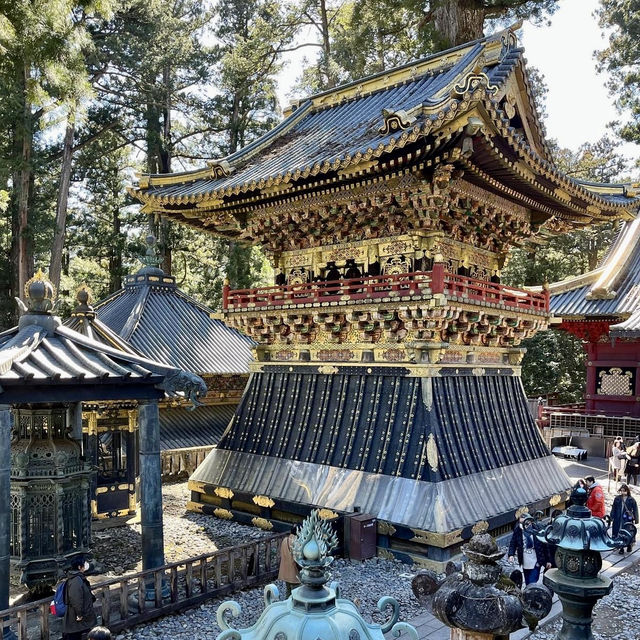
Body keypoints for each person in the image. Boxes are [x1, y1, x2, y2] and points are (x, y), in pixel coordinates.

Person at [508, 514, 550, 585]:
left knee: (532, 582)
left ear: (530, 522)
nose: (523, 525)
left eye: (525, 523)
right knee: (527, 581)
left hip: (536, 560)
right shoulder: (518, 530)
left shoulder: (537, 529)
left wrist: (548, 560)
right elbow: (513, 543)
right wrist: (511, 554)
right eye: (520, 523)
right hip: (525, 561)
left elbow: (545, 545)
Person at [63, 556, 97, 640]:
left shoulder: (77, 578)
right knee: (75, 635)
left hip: (81, 614)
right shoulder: (76, 580)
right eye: (84, 563)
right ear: (79, 567)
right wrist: (79, 614)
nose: (86, 565)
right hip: (77, 615)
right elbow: (76, 599)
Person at [610, 483, 639, 555]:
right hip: (618, 518)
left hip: (627, 519)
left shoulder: (631, 499)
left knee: (628, 532)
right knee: (618, 532)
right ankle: (621, 547)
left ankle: (629, 545)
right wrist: (611, 517)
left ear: (627, 491)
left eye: (624, 491)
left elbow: (635, 509)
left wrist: (636, 519)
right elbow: (613, 508)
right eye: (622, 490)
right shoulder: (617, 498)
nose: (623, 492)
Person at [278, 529, 300, 597]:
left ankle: (286, 604)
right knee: (296, 592)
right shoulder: (296, 543)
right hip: (294, 571)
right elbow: (298, 558)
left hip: (285, 570)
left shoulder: (285, 540)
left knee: (288, 590)